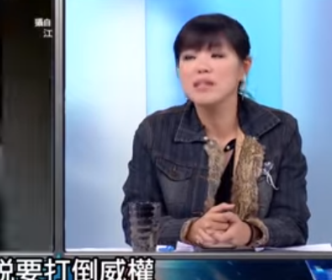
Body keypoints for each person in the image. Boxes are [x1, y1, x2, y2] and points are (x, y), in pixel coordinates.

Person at [122, 13, 310, 248]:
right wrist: (191, 230)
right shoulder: (154, 131)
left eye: (217, 55)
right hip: (182, 270)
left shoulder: (280, 129)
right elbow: (136, 225)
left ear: (244, 67)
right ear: (178, 70)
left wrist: (249, 233)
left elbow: (294, 224)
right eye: (189, 57)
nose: (201, 67)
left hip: (258, 270)